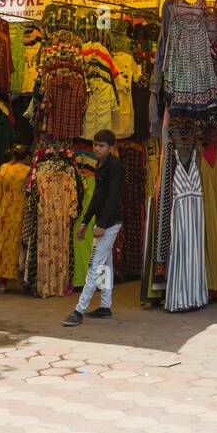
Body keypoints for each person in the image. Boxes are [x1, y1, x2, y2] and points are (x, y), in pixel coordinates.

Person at [63, 129, 124, 326]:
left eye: (101, 145)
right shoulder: (100, 165)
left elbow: (114, 197)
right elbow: (97, 197)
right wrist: (85, 222)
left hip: (110, 222)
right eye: (95, 145)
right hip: (103, 221)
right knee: (105, 265)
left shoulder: (115, 167)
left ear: (111, 147)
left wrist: (104, 225)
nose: (96, 149)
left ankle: (79, 310)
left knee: (94, 265)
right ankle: (105, 305)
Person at [0, 144, 31, 294]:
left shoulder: (4, 169)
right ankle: (21, 280)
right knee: (21, 246)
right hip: (22, 213)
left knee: (4, 247)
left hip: (5, 213)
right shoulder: (28, 172)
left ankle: (2, 282)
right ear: (27, 157)